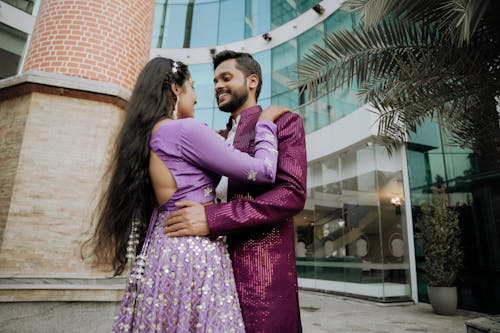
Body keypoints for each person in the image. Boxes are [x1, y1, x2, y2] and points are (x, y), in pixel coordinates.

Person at [84, 57, 288, 332]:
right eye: (192, 87)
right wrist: (264, 124)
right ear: (175, 90)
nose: (198, 96)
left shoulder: (148, 135)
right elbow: (262, 171)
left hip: (161, 251)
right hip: (193, 252)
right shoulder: (185, 131)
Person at [163, 50, 307, 332]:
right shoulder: (213, 138)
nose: (217, 85)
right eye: (215, 80)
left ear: (252, 81)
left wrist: (214, 218)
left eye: (226, 77)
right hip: (210, 272)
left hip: (262, 274)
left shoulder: (282, 123)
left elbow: (291, 193)